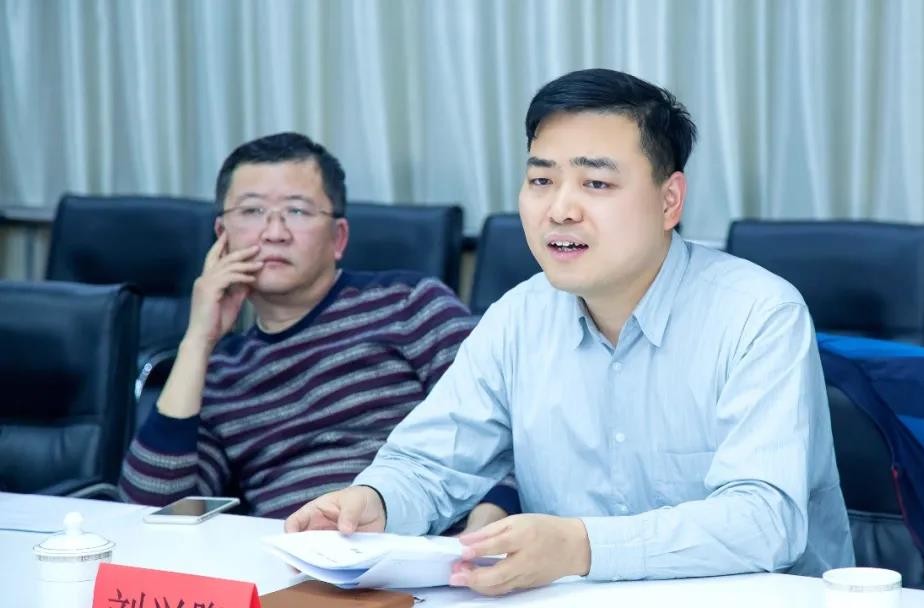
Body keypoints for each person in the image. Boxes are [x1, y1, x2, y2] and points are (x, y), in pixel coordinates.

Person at [286, 69, 854, 595]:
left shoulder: (759, 314)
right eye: (541, 179)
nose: (560, 209)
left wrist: (580, 546)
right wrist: (374, 500)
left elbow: (765, 521)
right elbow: (430, 464)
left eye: (596, 183)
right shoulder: (517, 318)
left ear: (669, 201)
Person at [118, 132, 518, 527]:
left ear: (338, 238)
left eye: (297, 211)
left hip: (424, 543)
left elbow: (508, 430)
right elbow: (150, 512)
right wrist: (197, 341)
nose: (274, 232)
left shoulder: (410, 305)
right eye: (252, 211)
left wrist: (487, 523)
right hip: (291, 554)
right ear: (222, 237)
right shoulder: (221, 373)